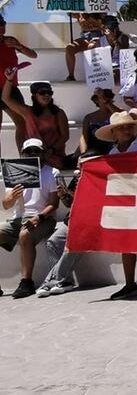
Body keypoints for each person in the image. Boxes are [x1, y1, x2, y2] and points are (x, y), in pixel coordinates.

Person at [95, 112, 137, 300]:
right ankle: (130, 284)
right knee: (126, 243)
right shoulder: (112, 154)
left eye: (128, 127)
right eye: (121, 128)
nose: (125, 130)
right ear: (113, 133)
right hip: (123, 201)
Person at [1, 138, 59, 298]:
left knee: (25, 234)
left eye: (36, 151)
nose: (32, 154)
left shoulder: (52, 172)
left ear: (43, 153)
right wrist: (12, 197)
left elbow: (54, 204)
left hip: (43, 218)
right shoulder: (15, 172)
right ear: (23, 154)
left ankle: (26, 282)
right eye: (28, 151)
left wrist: (38, 217)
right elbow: (6, 205)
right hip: (18, 218)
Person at [36, 158, 83, 298]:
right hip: (72, 219)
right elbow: (70, 204)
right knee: (52, 242)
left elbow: (90, 201)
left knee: (71, 246)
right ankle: (65, 281)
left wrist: (71, 193)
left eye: (82, 163)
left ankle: (51, 281)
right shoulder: (78, 178)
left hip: (88, 221)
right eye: (78, 164)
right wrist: (63, 196)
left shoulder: (98, 179)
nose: (78, 166)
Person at [2, 74, 70, 170]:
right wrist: (9, 80)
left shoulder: (58, 113)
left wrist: (50, 151)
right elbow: (6, 98)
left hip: (53, 156)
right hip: (33, 156)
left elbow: (65, 136)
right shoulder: (27, 112)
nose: (47, 95)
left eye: (49, 93)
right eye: (42, 92)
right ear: (34, 95)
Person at [0, 15, 38, 158]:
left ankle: (23, 158)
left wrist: (17, 45)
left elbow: (33, 55)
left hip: (10, 88)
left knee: (22, 123)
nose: (2, 27)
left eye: (3, 24)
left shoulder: (9, 40)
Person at [63, 12, 106, 82]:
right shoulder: (79, 13)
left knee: (91, 47)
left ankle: (94, 75)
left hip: (97, 36)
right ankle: (71, 75)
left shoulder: (99, 12)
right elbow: (69, 13)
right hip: (84, 37)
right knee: (69, 48)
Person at [80, 88, 122, 158]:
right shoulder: (89, 117)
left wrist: (106, 102)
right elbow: (84, 137)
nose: (105, 99)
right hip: (94, 150)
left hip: (113, 148)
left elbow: (121, 117)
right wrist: (84, 153)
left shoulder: (118, 112)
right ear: (96, 100)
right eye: (101, 97)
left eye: (108, 97)